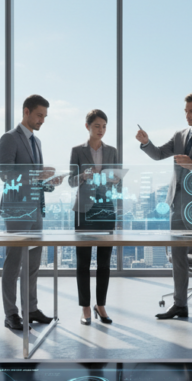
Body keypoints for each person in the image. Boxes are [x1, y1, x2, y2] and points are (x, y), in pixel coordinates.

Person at [136, 91, 192, 326]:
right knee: (178, 257)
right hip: (177, 204)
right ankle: (180, 304)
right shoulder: (179, 135)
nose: (187, 115)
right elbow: (158, 154)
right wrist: (146, 143)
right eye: (185, 111)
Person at [0, 94, 63, 330]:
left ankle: (31, 309)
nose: (42, 120)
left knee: (34, 262)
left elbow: (35, 180)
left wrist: (50, 182)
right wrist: (37, 174)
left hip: (35, 208)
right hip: (16, 210)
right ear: (26, 112)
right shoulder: (9, 139)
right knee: (13, 262)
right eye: (39, 115)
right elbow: (5, 175)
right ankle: (11, 313)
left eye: (45, 116)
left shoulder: (37, 142)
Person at [68, 109, 119, 325]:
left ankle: (101, 305)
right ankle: (86, 308)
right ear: (88, 126)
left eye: (104, 126)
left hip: (106, 209)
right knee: (83, 262)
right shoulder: (77, 151)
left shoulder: (112, 151)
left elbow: (118, 179)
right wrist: (83, 175)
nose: (101, 130)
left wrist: (115, 180)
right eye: (97, 126)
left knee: (104, 262)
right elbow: (71, 181)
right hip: (84, 212)